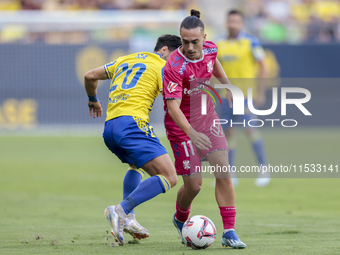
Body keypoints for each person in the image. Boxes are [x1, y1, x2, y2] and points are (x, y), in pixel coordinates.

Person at [84, 34, 182, 246]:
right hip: (133, 124)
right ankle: (120, 210)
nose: (176, 63)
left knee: (135, 165)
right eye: (175, 57)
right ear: (164, 50)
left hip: (110, 127)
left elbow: (89, 76)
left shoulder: (124, 60)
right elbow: (175, 104)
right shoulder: (164, 68)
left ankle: (129, 220)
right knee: (170, 177)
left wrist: (93, 100)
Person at [163, 9, 246, 249]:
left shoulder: (210, 48)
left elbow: (214, 62)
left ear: (204, 37)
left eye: (195, 41)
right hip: (181, 128)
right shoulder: (174, 66)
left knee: (223, 169)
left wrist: (227, 85)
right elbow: (173, 108)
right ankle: (180, 217)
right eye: (185, 41)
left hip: (206, 117)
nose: (190, 47)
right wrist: (192, 134)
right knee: (194, 186)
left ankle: (229, 231)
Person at [216, 9, 270, 187]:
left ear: (242, 24)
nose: (233, 25)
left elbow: (263, 67)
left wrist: (260, 91)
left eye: (237, 22)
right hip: (225, 96)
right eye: (230, 21)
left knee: (250, 129)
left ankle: (264, 169)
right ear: (226, 22)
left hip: (245, 95)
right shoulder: (220, 44)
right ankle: (230, 174)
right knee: (228, 133)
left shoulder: (251, 42)